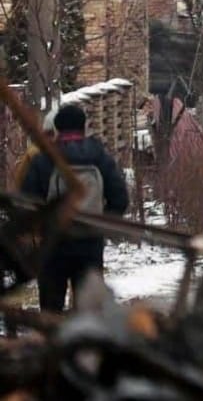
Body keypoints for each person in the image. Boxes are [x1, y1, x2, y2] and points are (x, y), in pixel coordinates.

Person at [22, 104, 129, 312]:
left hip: (54, 245)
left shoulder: (44, 159)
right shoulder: (100, 157)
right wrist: (101, 225)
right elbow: (120, 199)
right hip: (90, 244)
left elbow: (27, 202)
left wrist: (40, 229)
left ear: (57, 127)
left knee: (51, 310)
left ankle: (52, 332)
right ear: (84, 126)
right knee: (89, 311)